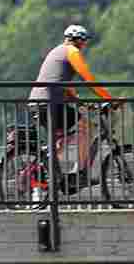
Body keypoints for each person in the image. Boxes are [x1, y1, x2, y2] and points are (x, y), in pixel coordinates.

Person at [29, 22, 112, 183]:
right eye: (84, 42)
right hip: (50, 104)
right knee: (87, 128)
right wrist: (109, 99)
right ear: (80, 41)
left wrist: (81, 103)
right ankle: (79, 173)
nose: (84, 46)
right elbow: (87, 78)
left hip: (39, 103)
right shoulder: (72, 51)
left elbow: (63, 86)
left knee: (66, 136)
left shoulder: (57, 51)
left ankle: (47, 162)